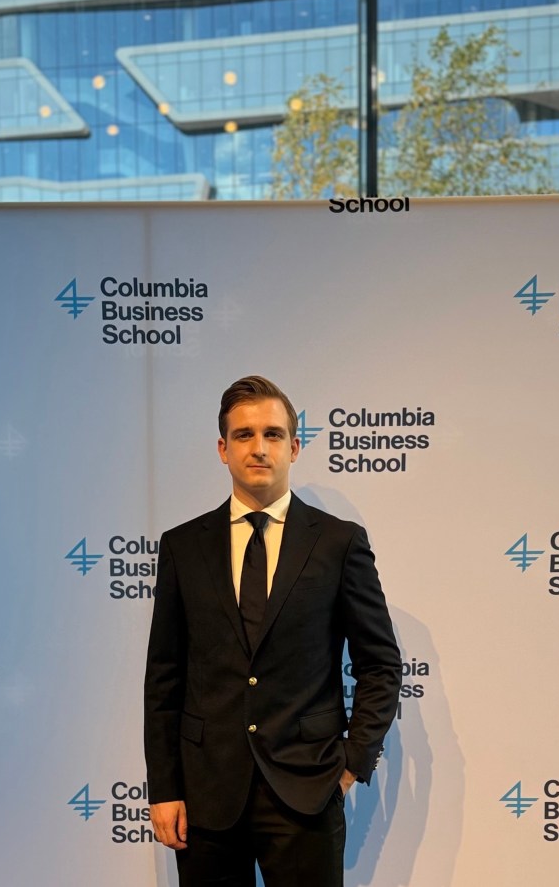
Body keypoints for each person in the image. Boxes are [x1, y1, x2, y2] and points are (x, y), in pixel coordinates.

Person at [144, 375, 402, 886]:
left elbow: (380, 665)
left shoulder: (338, 543)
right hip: (206, 793)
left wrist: (351, 764)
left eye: (273, 434)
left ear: (294, 447)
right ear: (223, 449)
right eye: (243, 435)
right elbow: (164, 677)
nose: (258, 448)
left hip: (308, 790)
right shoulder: (182, 547)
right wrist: (165, 787)